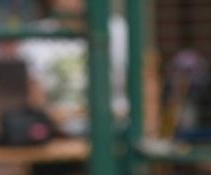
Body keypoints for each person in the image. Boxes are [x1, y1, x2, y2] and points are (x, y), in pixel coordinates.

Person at [18, 0, 130, 138]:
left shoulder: (119, 29)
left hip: (117, 132)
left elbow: (146, 84)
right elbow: (36, 100)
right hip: (59, 135)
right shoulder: (35, 37)